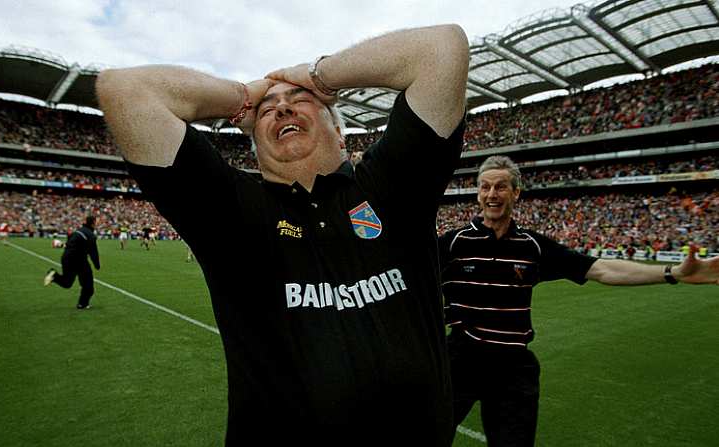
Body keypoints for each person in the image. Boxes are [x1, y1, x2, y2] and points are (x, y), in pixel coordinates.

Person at [96, 23, 469, 446]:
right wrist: (242, 97)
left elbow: (443, 47)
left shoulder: (391, 184)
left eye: (300, 101)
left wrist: (318, 75)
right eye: (268, 108)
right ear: (252, 137)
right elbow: (123, 90)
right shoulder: (229, 211)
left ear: (340, 132)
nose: (283, 108)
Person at [439, 155, 719, 447]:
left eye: (500, 187)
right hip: (460, 359)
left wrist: (673, 272)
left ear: (516, 192)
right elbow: (405, 272)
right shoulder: (453, 243)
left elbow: (602, 269)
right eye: (484, 187)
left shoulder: (533, 247)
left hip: (513, 367)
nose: (491, 195)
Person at [44, 215, 101, 310]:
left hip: (66, 258)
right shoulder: (91, 235)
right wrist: (97, 265)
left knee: (67, 283)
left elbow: (68, 243)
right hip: (79, 260)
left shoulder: (77, 231)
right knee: (88, 286)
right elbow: (93, 252)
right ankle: (82, 304)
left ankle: (54, 275)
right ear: (93, 222)